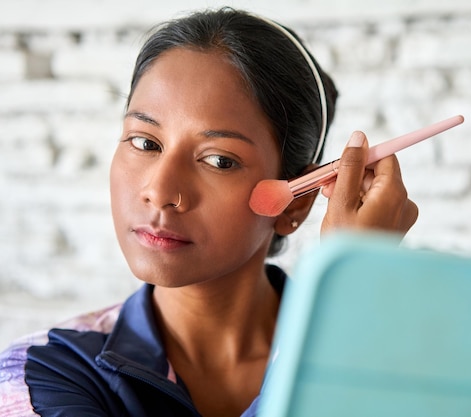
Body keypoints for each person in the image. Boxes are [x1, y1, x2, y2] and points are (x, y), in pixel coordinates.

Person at [0, 7, 418, 416]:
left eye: (219, 160)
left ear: (298, 200)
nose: (160, 192)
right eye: (145, 143)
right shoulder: (42, 371)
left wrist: (348, 301)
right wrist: (344, 303)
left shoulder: (403, 363)